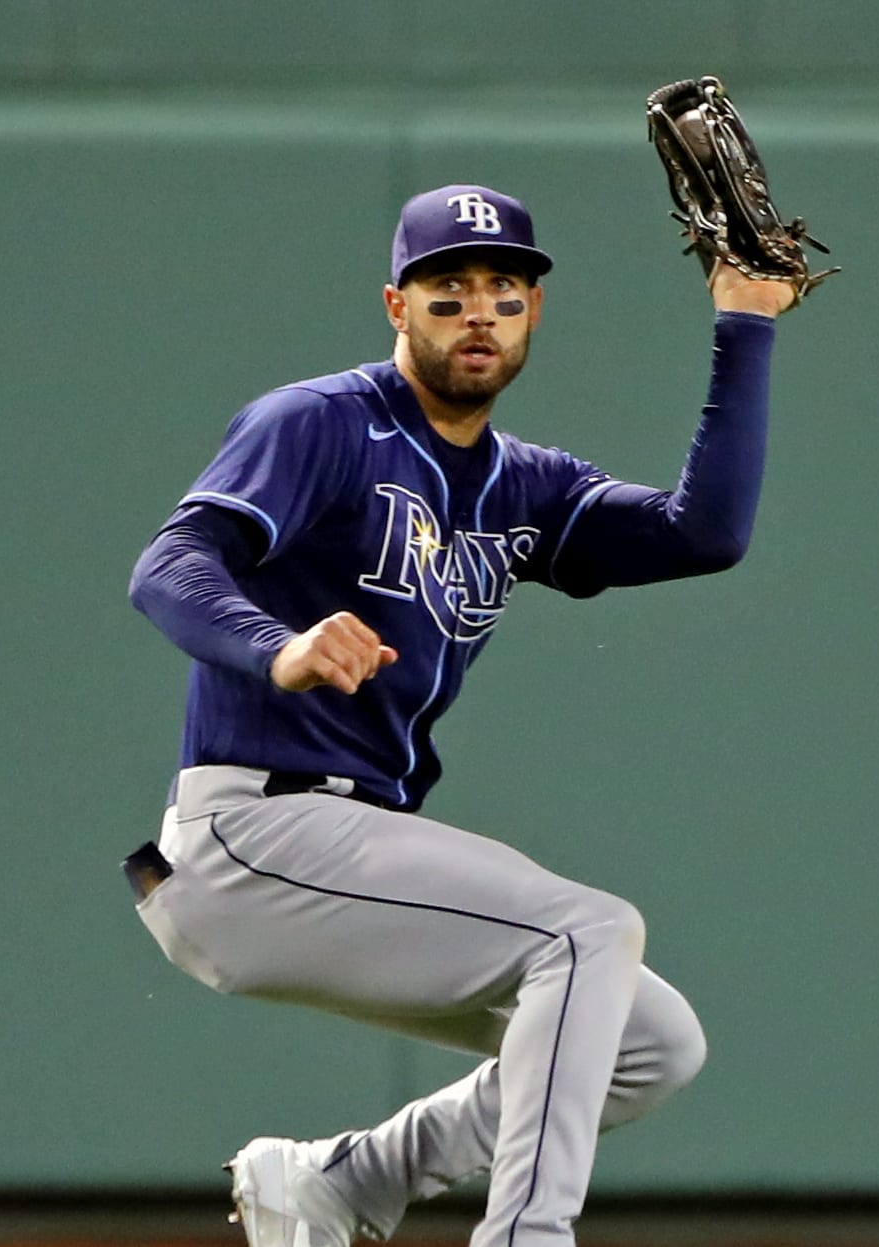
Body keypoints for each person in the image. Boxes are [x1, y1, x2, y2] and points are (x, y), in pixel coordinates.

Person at [124, 183, 793, 1247]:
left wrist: (745, 319)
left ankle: (343, 1178)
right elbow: (170, 565)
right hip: (252, 834)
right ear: (398, 304)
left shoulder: (523, 484)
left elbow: (700, 533)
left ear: (533, 313)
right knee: (589, 929)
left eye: (504, 289)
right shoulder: (322, 423)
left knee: (651, 1038)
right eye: (448, 291)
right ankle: (525, 1235)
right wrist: (278, 644)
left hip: (353, 839)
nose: (479, 310)